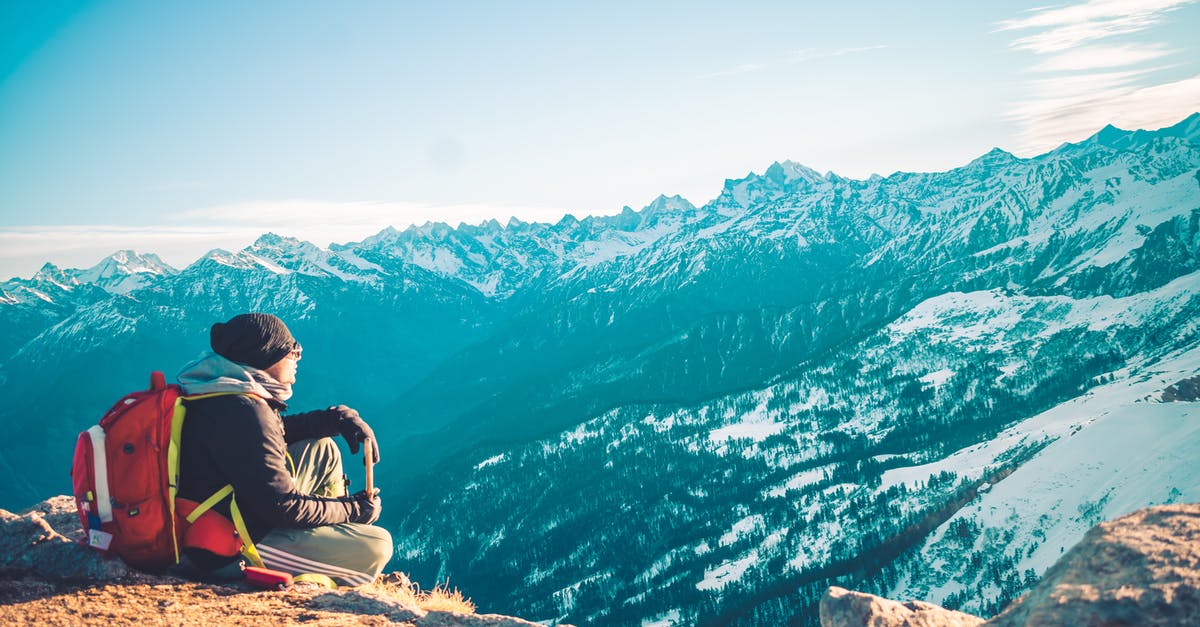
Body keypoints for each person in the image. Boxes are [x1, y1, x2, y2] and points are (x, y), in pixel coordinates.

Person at [174, 312, 391, 586]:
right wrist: (352, 509)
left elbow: (264, 437)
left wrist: (334, 419)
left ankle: (330, 536)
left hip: (218, 514)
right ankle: (331, 565)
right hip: (227, 548)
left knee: (322, 448)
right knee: (377, 546)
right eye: (293, 351)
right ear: (266, 356)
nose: (298, 358)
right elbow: (284, 508)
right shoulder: (245, 410)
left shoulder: (220, 392)